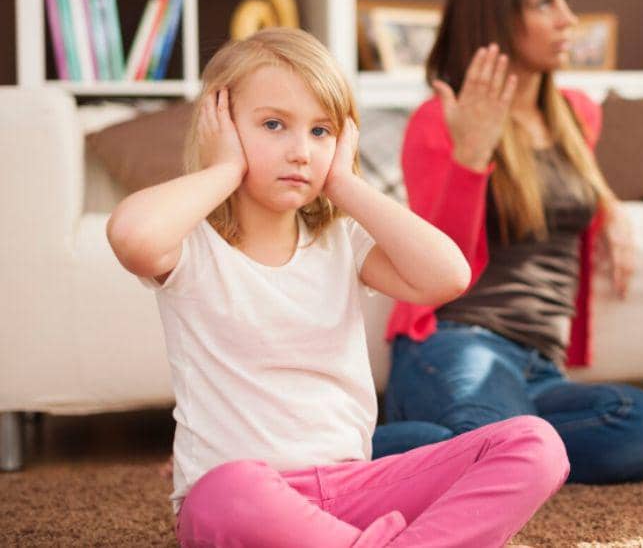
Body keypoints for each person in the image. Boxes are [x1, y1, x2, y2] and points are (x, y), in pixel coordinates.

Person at [107, 27, 568, 547]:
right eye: (274, 125)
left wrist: (345, 183)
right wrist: (225, 168)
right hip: (246, 499)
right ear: (221, 125)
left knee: (536, 443)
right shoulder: (192, 246)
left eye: (320, 131)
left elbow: (449, 277)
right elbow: (131, 237)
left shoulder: (341, 241)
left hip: (352, 487)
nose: (301, 151)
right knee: (224, 490)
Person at [379, 0, 643, 484]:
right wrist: (471, 154)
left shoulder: (577, 115)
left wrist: (611, 207)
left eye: (566, 0)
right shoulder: (437, 121)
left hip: (541, 367)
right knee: (502, 441)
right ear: (497, 16)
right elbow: (436, 265)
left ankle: (470, 449)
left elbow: (571, 189)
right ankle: (337, 453)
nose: (569, 19)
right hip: (458, 341)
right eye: (547, 4)